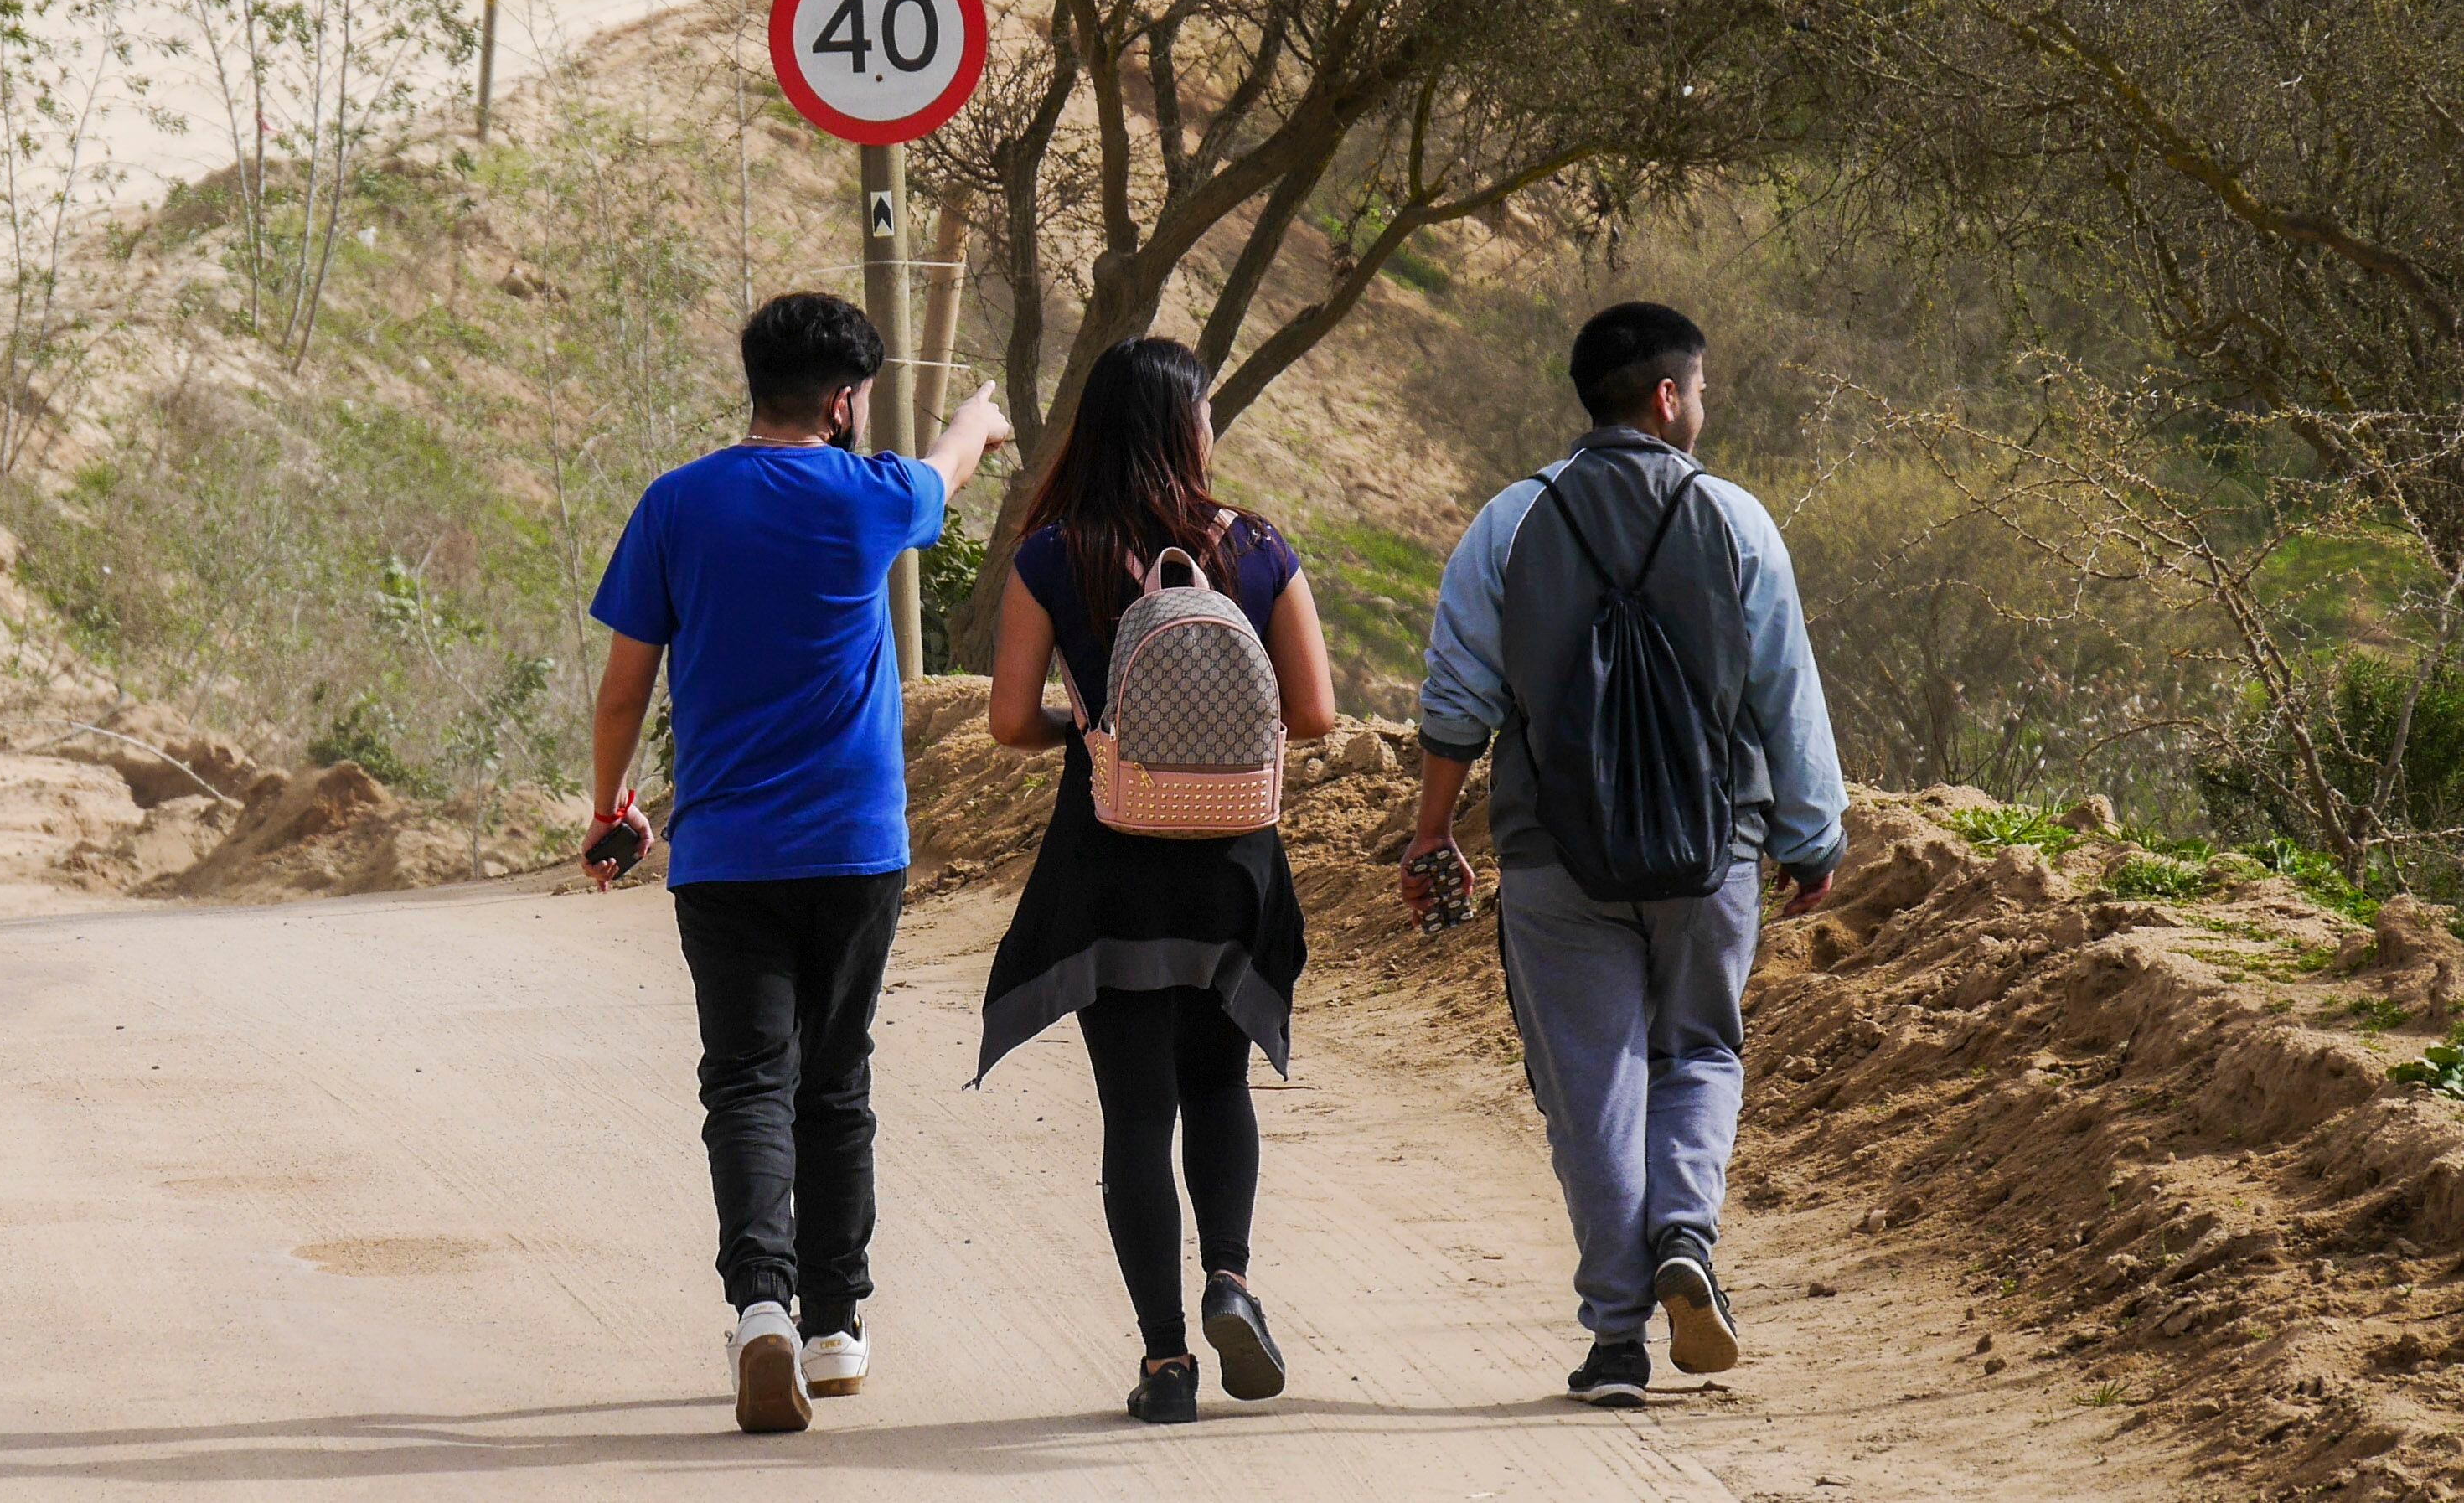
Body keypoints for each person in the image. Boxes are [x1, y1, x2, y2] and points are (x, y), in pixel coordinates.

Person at [1402, 301, 1847, 1407]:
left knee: (1589, 1081)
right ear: (1666, 397)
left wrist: (1432, 831)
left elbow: (1459, 703)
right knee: (1698, 1050)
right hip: (1713, 852)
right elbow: (1787, 694)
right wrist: (1812, 835)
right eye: (1700, 388)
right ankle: (1686, 1234)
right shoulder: (1737, 522)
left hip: (1557, 854)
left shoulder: (1508, 525)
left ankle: (1615, 1340)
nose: (1704, 406)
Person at [583, 291, 1011, 1433]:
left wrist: (609, 804)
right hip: (855, 848)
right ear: (842, 400)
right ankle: (834, 1323)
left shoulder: (677, 504)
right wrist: (979, 416)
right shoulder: (868, 499)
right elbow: (951, 469)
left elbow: (625, 683)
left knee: (747, 1078)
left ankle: (760, 1307)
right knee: (836, 1076)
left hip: (724, 852)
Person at [980, 337, 1336, 1425]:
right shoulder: (1260, 548)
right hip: (1231, 867)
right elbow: (1315, 714)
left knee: (1137, 1113)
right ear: (1188, 429)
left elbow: (1005, 721)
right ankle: (1231, 1276)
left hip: (1111, 867)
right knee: (1218, 1083)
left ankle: (1167, 1361)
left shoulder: (1054, 555)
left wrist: (1089, 730)